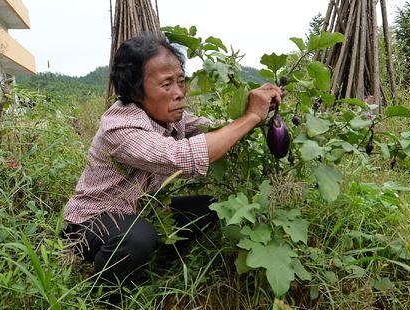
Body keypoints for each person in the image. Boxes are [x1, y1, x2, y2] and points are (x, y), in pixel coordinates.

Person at [61, 33, 282, 287]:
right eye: (166, 85)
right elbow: (184, 157)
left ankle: (156, 265)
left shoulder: (168, 117)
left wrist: (253, 109)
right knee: (136, 238)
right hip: (89, 224)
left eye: (180, 81)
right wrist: (252, 116)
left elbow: (216, 131)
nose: (179, 93)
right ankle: (106, 297)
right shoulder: (120, 127)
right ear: (135, 90)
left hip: (142, 211)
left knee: (209, 208)